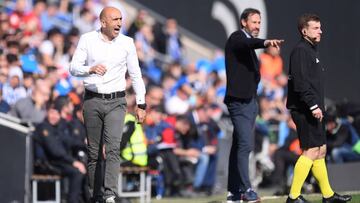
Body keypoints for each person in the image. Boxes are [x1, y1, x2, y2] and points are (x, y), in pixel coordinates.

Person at [69, 6, 147, 203]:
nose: (119, 23)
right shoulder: (87, 39)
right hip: (92, 100)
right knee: (94, 153)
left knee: (112, 148)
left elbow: (135, 74)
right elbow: (73, 68)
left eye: (121, 19)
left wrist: (141, 103)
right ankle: (96, 195)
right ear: (103, 22)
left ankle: (110, 195)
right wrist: (90, 69)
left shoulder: (127, 43)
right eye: (115, 19)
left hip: (117, 101)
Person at [286, 13, 351, 203]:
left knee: (321, 150)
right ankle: (293, 197)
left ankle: (328, 195)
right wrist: (313, 105)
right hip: (305, 109)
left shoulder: (311, 50)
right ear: (304, 31)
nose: (320, 30)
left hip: (313, 108)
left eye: (320, 27)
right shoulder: (300, 51)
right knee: (311, 151)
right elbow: (300, 83)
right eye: (316, 28)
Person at [224, 8, 283, 203]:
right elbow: (248, 43)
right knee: (245, 145)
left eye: (259, 22)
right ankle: (246, 189)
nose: (257, 26)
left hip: (249, 103)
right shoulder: (237, 38)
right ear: (243, 22)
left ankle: (233, 192)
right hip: (239, 103)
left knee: (238, 147)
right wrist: (265, 42)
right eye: (254, 22)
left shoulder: (247, 44)